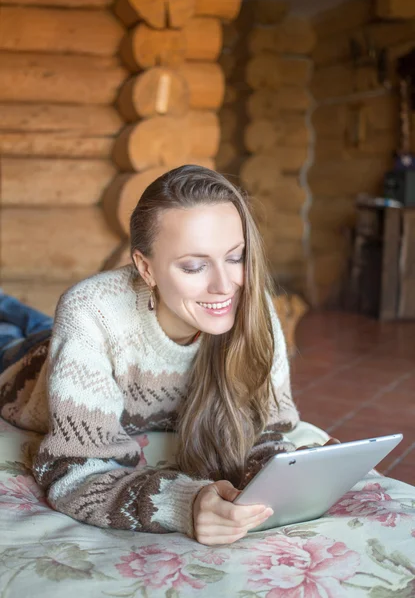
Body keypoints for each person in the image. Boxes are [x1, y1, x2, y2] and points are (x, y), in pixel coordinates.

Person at [0, 165, 324, 546]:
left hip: (81, 339)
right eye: (194, 265)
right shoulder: (90, 311)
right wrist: (182, 503)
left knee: (31, 320)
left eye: (236, 257)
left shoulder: (250, 303)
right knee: (14, 330)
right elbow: (74, 473)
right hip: (22, 368)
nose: (225, 286)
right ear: (145, 267)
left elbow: (269, 426)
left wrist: (292, 472)